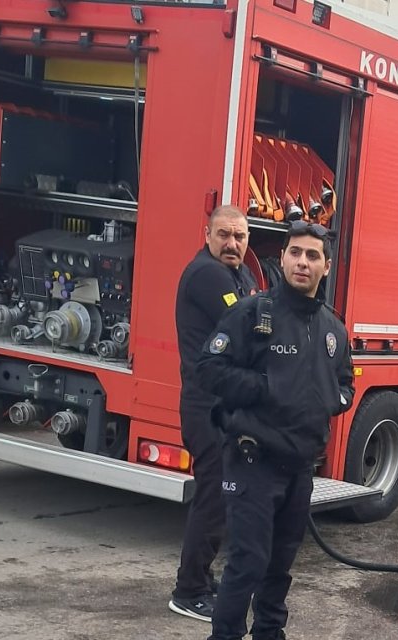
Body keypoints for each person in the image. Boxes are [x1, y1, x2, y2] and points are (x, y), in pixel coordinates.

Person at [197, 220, 355, 640]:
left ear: (326, 267)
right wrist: (267, 388)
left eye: (312, 256)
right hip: (253, 462)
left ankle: (270, 633)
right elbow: (210, 370)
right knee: (248, 562)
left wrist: (328, 400)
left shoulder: (333, 329)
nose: (303, 262)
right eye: (295, 253)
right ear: (282, 258)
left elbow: (346, 386)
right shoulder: (252, 314)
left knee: (279, 565)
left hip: (300, 467)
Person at [169, 205, 259, 622]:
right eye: (224, 234)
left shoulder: (237, 273)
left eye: (239, 236)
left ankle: (201, 580)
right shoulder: (207, 273)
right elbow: (248, 325)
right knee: (212, 497)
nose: (232, 243)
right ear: (207, 235)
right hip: (207, 407)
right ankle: (188, 591)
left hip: (223, 407)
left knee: (221, 497)